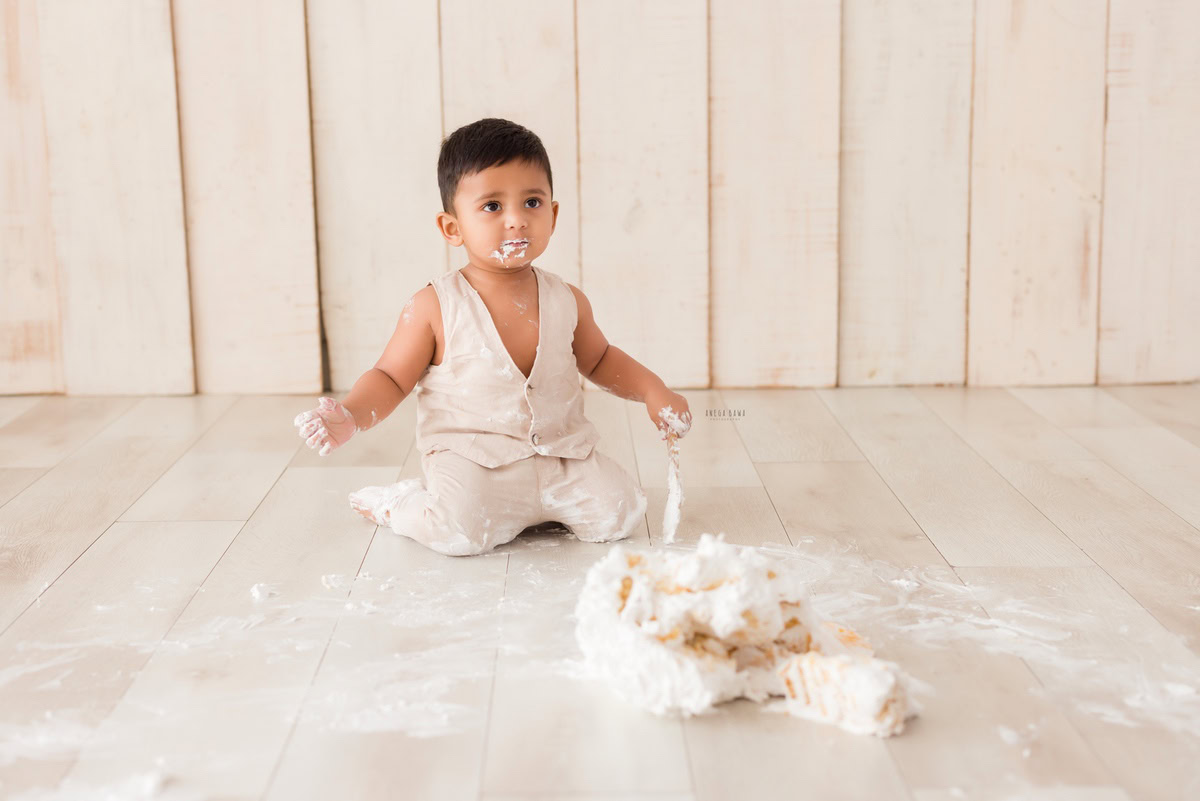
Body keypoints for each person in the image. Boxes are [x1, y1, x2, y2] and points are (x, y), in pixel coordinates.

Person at [293, 118, 691, 556]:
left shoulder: (566, 299)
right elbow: (390, 376)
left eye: (533, 202)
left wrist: (654, 390)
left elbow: (599, 360)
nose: (517, 220)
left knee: (622, 512)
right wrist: (351, 414)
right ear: (452, 227)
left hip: (561, 456)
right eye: (492, 207)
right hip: (473, 461)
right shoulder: (435, 306)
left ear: (553, 215)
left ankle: (536, 508)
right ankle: (401, 505)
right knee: (458, 532)